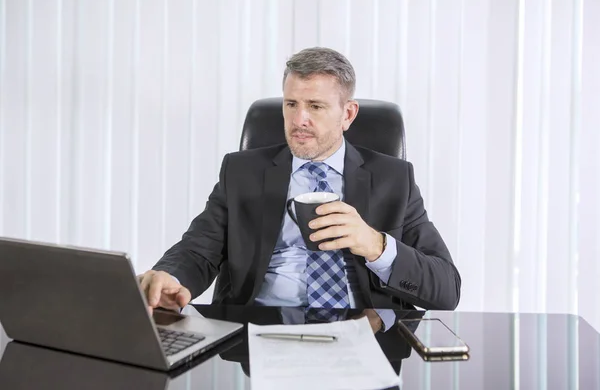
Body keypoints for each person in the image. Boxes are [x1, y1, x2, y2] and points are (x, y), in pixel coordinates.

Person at [138, 47, 461, 331]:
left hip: (363, 329)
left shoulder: (393, 178)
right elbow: (199, 248)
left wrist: (376, 245)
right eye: (291, 104)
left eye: (316, 106)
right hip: (259, 325)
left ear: (347, 114)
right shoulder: (243, 171)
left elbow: (446, 288)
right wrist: (170, 277)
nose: (299, 119)